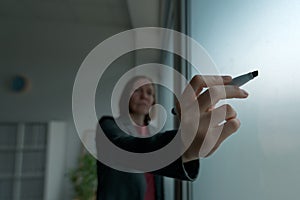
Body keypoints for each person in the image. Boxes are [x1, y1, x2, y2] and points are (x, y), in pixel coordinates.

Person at [96, 75, 248, 200]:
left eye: (149, 92)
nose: (144, 95)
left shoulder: (154, 132)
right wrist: (180, 145)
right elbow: (128, 150)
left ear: (153, 102)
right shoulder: (108, 126)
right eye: (138, 91)